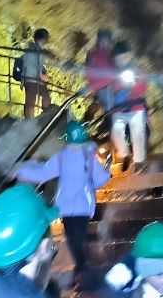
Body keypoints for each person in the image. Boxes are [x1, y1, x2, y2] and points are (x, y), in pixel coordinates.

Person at [16, 120, 111, 282]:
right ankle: (81, 265)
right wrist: (22, 170)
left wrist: (21, 170)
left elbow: (98, 177)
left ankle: (82, 266)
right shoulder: (64, 157)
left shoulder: (87, 156)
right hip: (67, 206)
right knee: (71, 236)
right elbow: (44, 172)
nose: (76, 147)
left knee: (77, 237)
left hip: (81, 205)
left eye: (78, 144)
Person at [109, 42, 149, 173]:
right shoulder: (113, 73)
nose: (120, 61)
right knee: (116, 132)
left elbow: (144, 88)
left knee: (138, 135)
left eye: (123, 57)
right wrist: (122, 88)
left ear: (129, 56)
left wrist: (132, 86)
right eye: (118, 59)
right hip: (119, 109)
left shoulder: (137, 71)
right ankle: (124, 154)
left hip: (136, 108)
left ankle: (139, 162)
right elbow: (112, 90)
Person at [84, 29, 118, 112]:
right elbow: (90, 74)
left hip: (112, 87)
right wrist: (93, 86)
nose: (106, 43)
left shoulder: (110, 55)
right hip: (104, 88)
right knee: (111, 112)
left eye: (107, 40)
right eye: (104, 40)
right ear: (99, 41)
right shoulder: (93, 55)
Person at [22, 28, 52, 119]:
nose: (46, 42)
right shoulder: (31, 50)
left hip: (37, 79)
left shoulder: (39, 51)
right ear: (41, 39)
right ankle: (29, 121)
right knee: (31, 101)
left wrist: (43, 72)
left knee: (46, 98)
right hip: (30, 78)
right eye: (45, 40)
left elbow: (39, 65)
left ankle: (45, 119)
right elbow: (29, 66)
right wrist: (40, 76)